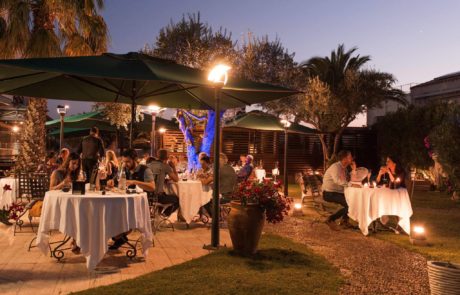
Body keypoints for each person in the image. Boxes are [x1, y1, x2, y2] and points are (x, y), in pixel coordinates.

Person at [109, 149, 155, 250]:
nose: (126, 164)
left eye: (128, 161)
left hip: (140, 204)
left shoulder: (145, 170)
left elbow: (152, 187)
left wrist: (135, 181)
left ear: (135, 160)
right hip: (125, 201)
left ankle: (119, 235)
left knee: (124, 216)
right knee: (110, 211)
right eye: (124, 161)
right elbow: (116, 180)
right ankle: (118, 234)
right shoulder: (124, 169)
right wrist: (111, 181)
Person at [49, 152, 82, 254]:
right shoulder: (57, 173)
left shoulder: (74, 174)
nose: (75, 166)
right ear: (68, 162)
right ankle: (76, 241)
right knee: (77, 214)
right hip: (59, 204)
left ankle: (76, 240)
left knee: (81, 212)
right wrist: (63, 183)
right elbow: (50, 189)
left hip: (70, 202)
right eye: (73, 163)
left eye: (77, 164)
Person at [322, 150, 356, 231]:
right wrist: (350, 185)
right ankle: (331, 219)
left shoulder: (344, 168)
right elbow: (337, 180)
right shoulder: (335, 167)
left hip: (337, 192)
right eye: (350, 157)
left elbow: (349, 180)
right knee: (350, 205)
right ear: (345, 159)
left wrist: (354, 169)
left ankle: (344, 221)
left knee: (353, 202)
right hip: (329, 193)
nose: (352, 158)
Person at [146, 149, 180, 216]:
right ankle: (164, 214)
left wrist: (163, 179)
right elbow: (176, 179)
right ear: (167, 158)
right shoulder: (165, 166)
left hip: (147, 196)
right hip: (158, 197)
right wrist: (173, 167)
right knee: (178, 200)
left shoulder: (147, 166)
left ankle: (157, 216)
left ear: (157, 156)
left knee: (164, 193)